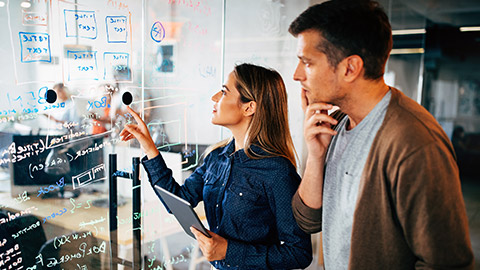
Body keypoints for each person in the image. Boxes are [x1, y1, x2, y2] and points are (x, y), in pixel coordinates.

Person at [288, 1, 474, 269]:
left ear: (350, 68)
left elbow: (447, 263)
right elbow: (307, 220)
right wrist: (316, 156)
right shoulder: (336, 124)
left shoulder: (413, 142)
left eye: (307, 63)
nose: (296, 75)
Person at [120, 63, 312, 269]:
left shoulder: (277, 171)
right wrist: (149, 147)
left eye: (223, 92)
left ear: (249, 107)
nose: (214, 98)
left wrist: (229, 251)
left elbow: (298, 253)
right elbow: (178, 201)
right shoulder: (215, 158)